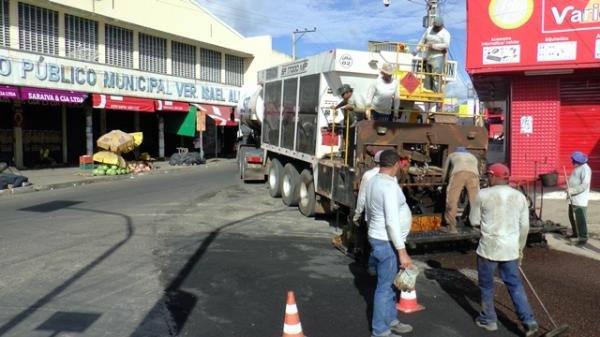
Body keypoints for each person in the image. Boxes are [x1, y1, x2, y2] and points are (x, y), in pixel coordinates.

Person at [469, 163, 539, 337]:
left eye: (489, 175)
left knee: (486, 286)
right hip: (510, 249)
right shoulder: (519, 196)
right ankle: (529, 321)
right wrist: (520, 248)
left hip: (488, 249)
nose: (487, 178)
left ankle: (489, 320)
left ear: (493, 176)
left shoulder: (483, 194)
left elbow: (473, 220)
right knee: (515, 285)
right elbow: (524, 226)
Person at [365, 150, 413, 337]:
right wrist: (402, 252)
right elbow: (391, 221)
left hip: (379, 238)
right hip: (387, 242)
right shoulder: (389, 187)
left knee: (391, 285)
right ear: (396, 165)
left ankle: (391, 319)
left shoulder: (373, 181)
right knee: (384, 288)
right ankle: (380, 331)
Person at [442, 147, 480, 233]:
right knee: (475, 201)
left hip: (458, 174)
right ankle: (476, 225)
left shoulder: (452, 155)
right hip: (474, 176)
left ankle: (451, 226)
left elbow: (445, 171)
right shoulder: (473, 157)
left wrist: (443, 181)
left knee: (452, 199)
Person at [415, 16, 450, 92]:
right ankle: (429, 90)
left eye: (437, 27)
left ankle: (437, 91)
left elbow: (446, 45)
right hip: (428, 55)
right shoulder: (429, 30)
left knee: (437, 73)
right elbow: (422, 41)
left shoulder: (445, 33)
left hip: (438, 56)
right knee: (428, 74)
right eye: (435, 26)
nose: (436, 28)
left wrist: (434, 46)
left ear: (441, 26)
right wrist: (416, 50)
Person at [567, 151, 592, 245]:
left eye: (573, 160)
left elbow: (584, 185)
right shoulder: (578, 168)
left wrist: (572, 190)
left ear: (578, 161)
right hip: (573, 198)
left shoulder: (585, 169)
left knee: (580, 219)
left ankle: (583, 237)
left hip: (579, 199)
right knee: (572, 217)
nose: (572, 162)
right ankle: (575, 233)